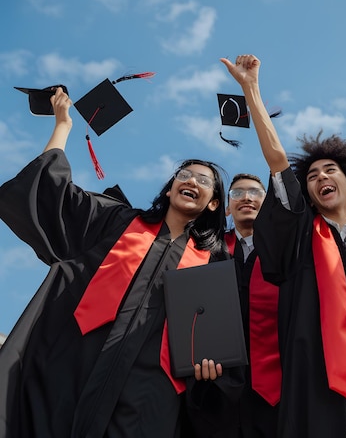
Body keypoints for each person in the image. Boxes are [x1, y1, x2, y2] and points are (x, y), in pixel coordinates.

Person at [0, 87, 232, 437]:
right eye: (184, 175)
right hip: (76, 359)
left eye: (204, 180)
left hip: (149, 387)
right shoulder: (117, 221)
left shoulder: (214, 262)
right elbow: (51, 193)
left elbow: (217, 339)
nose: (191, 181)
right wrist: (63, 126)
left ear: (214, 203)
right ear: (169, 189)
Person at [222, 54, 346, 437]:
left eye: (331, 170)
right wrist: (251, 90)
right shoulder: (301, 235)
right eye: (312, 175)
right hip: (314, 378)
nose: (320, 177)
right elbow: (279, 162)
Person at [188, 172, 280, 437]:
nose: (247, 198)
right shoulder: (206, 249)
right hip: (215, 383)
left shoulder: (286, 251)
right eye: (237, 193)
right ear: (227, 207)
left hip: (276, 383)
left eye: (255, 193)